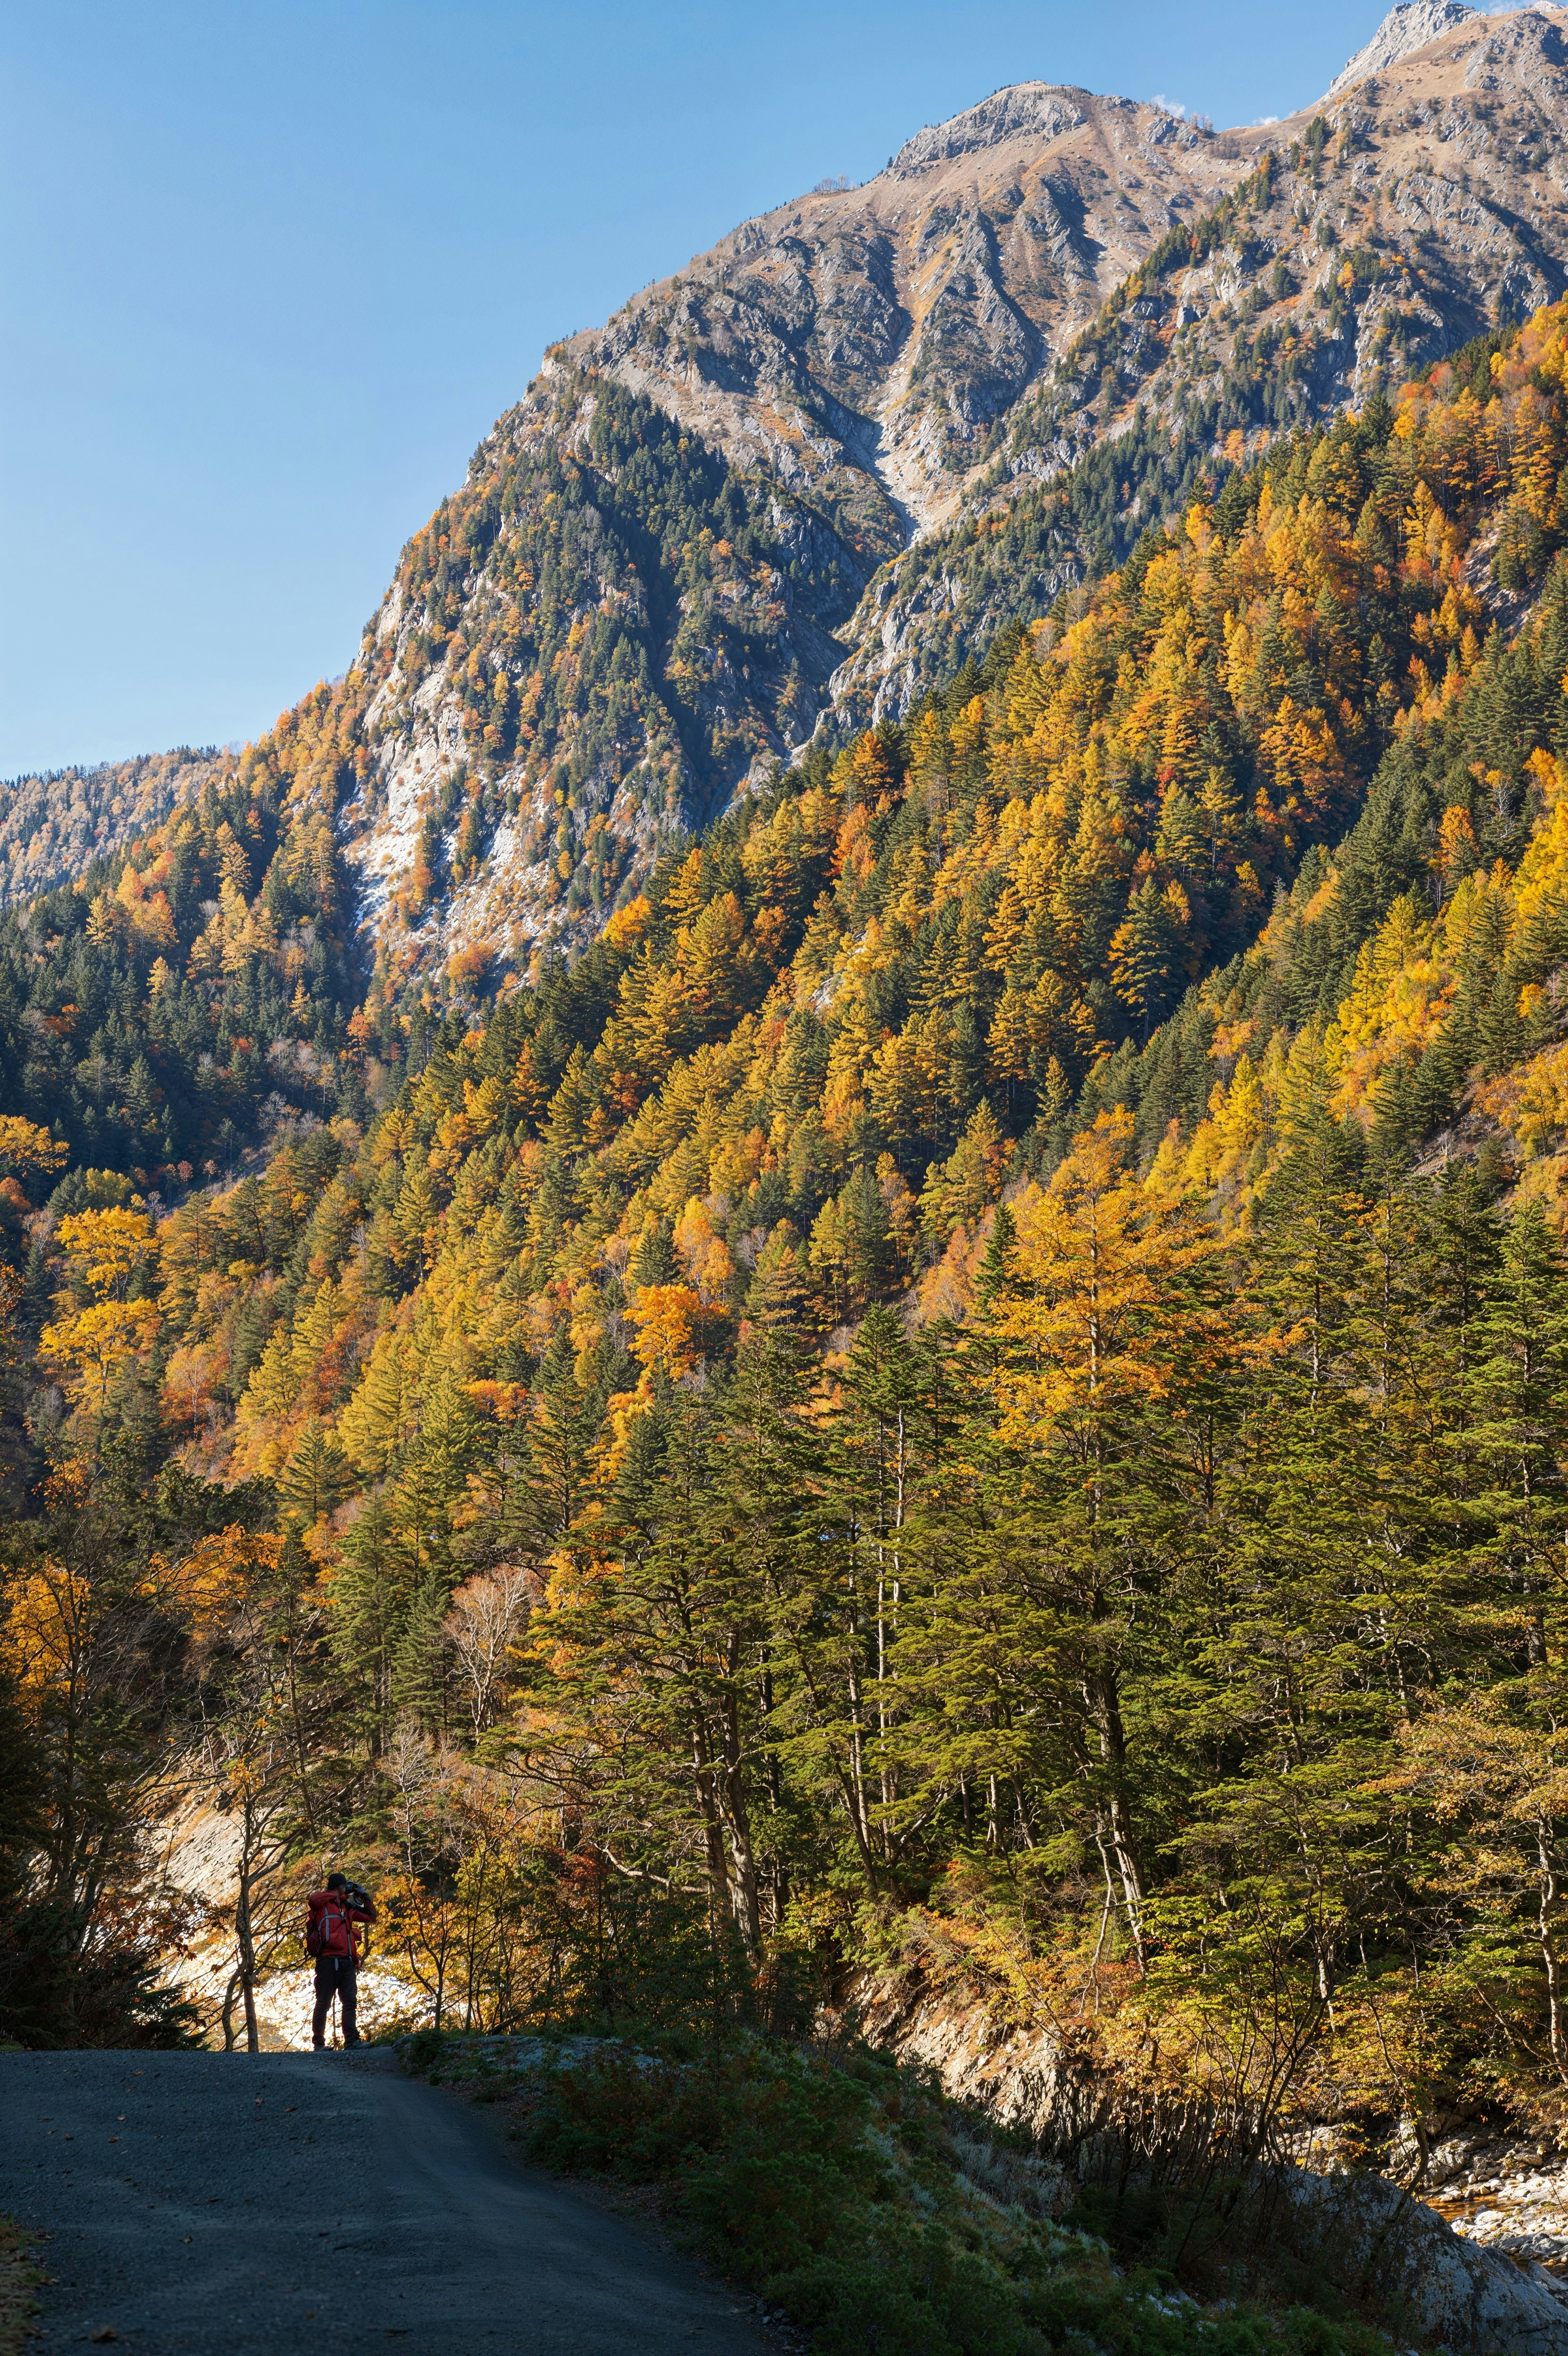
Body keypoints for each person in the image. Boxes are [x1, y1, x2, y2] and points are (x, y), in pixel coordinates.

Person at [306, 1872, 376, 2049]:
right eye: (345, 1886)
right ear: (339, 1887)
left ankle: (352, 2041)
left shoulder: (348, 1907)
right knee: (324, 2002)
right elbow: (313, 1900)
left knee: (350, 2001)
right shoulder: (321, 1904)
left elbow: (371, 1917)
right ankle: (319, 2044)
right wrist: (338, 1895)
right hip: (327, 1960)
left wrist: (364, 1896)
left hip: (346, 1961)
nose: (347, 1888)